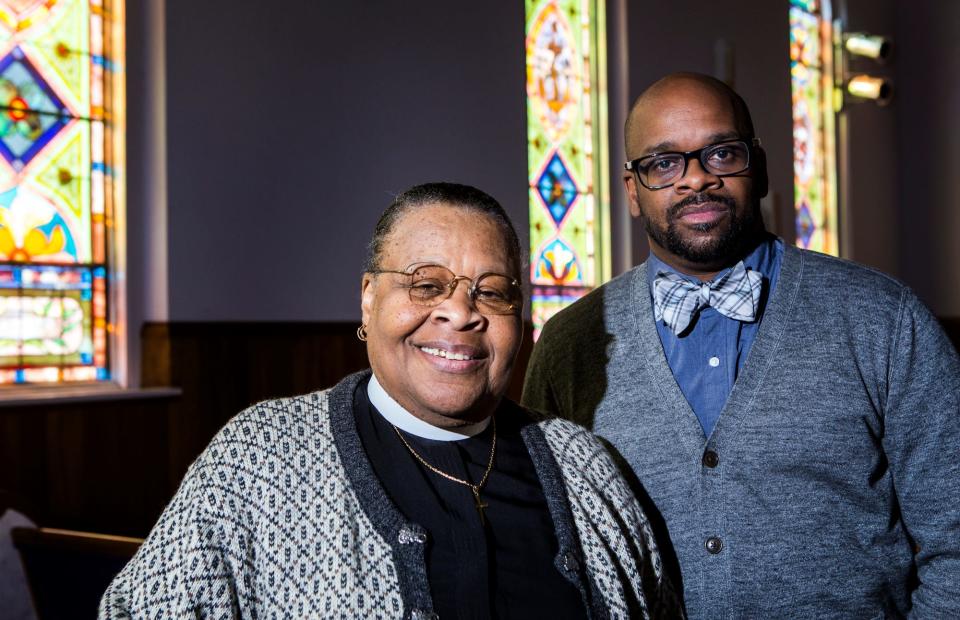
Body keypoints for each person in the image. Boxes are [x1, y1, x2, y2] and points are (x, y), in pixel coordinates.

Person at [100, 182, 679, 619]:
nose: (461, 312)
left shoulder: (584, 466)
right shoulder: (261, 456)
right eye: (426, 285)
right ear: (369, 299)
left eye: (493, 292)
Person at [522, 72, 960, 618]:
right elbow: (544, 548)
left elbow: (955, 536)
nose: (696, 180)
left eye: (721, 153)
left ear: (761, 168)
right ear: (632, 191)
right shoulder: (571, 342)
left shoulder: (882, 318)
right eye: (663, 163)